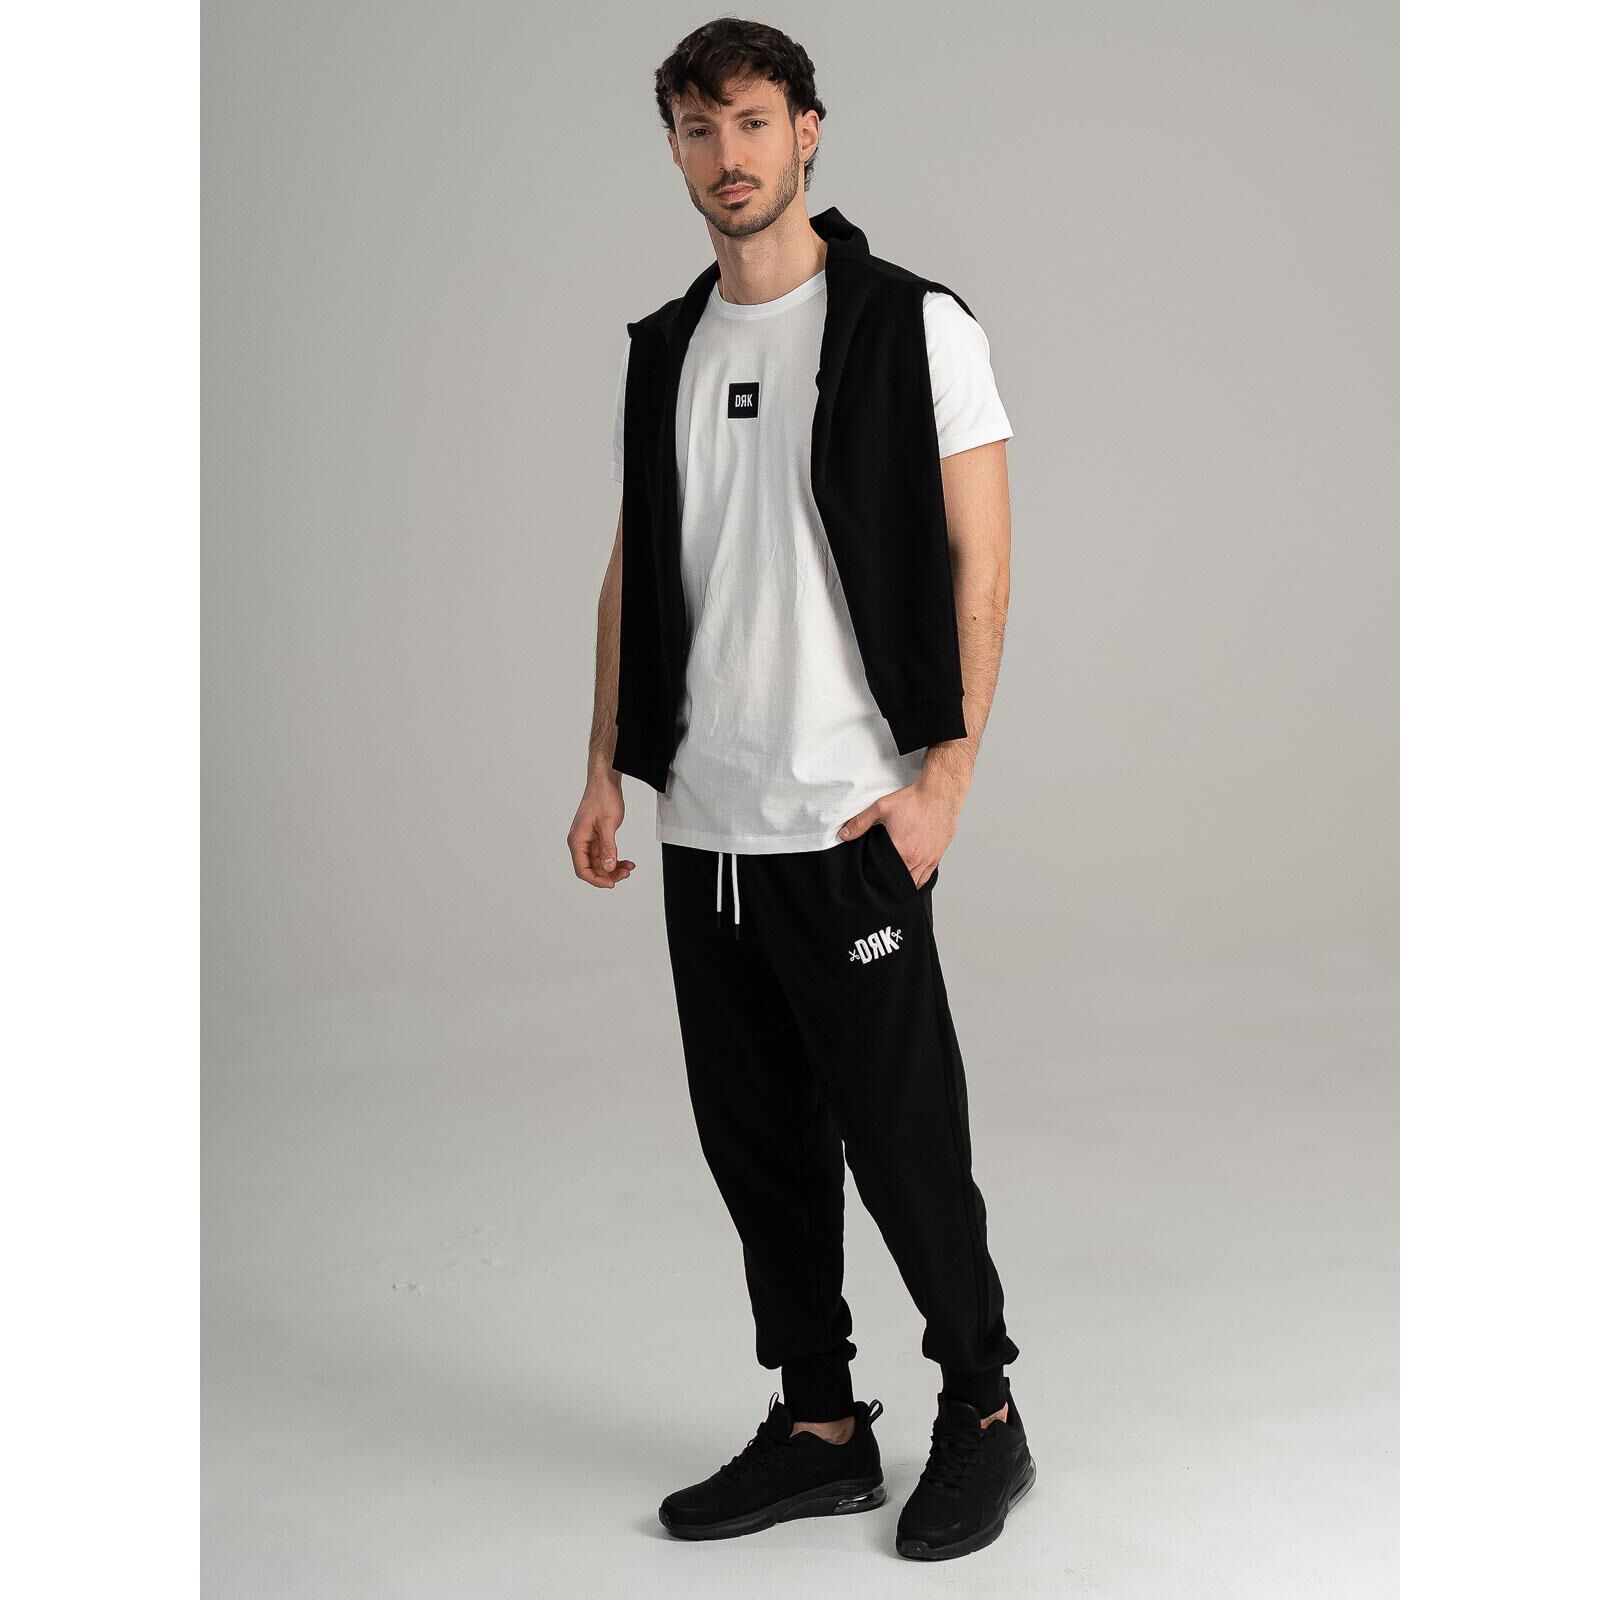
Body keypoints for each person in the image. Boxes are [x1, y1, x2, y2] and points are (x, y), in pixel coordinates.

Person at [567, 17, 1034, 1561]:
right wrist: (604, 766)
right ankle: (821, 1427)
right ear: (675, 148)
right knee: (757, 1147)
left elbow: (982, 563)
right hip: (705, 823)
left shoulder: (914, 326)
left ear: (809, 131)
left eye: (754, 121)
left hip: (848, 817)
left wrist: (944, 785)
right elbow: (638, 565)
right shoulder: (666, 346)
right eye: (699, 129)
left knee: (906, 1145)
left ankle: (983, 1413)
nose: (730, 155)